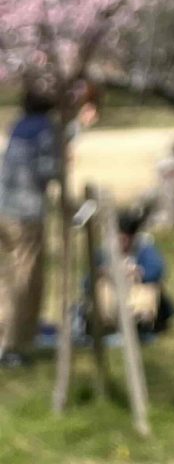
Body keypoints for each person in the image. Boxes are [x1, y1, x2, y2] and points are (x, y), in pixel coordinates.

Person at [0, 86, 59, 367]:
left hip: (3, 207)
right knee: (25, 279)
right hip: (26, 214)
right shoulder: (46, 130)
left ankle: (5, 334)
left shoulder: (18, 126)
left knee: (7, 276)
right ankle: (13, 345)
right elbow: (47, 170)